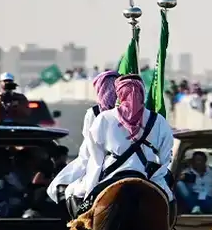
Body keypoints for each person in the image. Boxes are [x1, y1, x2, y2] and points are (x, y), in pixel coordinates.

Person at [72, 74, 175, 217]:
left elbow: (96, 158)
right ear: (142, 93)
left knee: (79, 201)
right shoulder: (158, 120)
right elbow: (166, 155)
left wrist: (92, 184)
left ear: (119, 94)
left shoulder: (104, 118)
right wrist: (156, 177)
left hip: (110, 175)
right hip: (148, 175)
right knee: (170, 203)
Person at [49, 70, 119, 206]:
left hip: (98, 161)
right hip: (133, 164)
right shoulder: (130, 113)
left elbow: (88, 146)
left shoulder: (94, 113)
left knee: (71, 192)